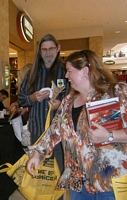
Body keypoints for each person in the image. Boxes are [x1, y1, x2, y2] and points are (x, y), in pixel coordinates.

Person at [26, 50, 127, 199]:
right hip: (77, 183)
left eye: (69, 71)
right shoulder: (68, 101)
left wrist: (109, 136)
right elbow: (54, 131)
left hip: (109, 182)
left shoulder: (115, 93)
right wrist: (37, 154)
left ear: (85, 71)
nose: (66, 76)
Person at [18, 34, 69, 173]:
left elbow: (76, 100)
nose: (47, 53)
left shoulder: (66, 71)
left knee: (58, 172)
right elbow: (21, 99)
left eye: (51, 49)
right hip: (37, 131)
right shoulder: (32, 73)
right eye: (44, 50)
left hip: (59, 133)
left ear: (58, 48)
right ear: (39, 51)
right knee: (39, 172)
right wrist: (32, 98)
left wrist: (61, 104)